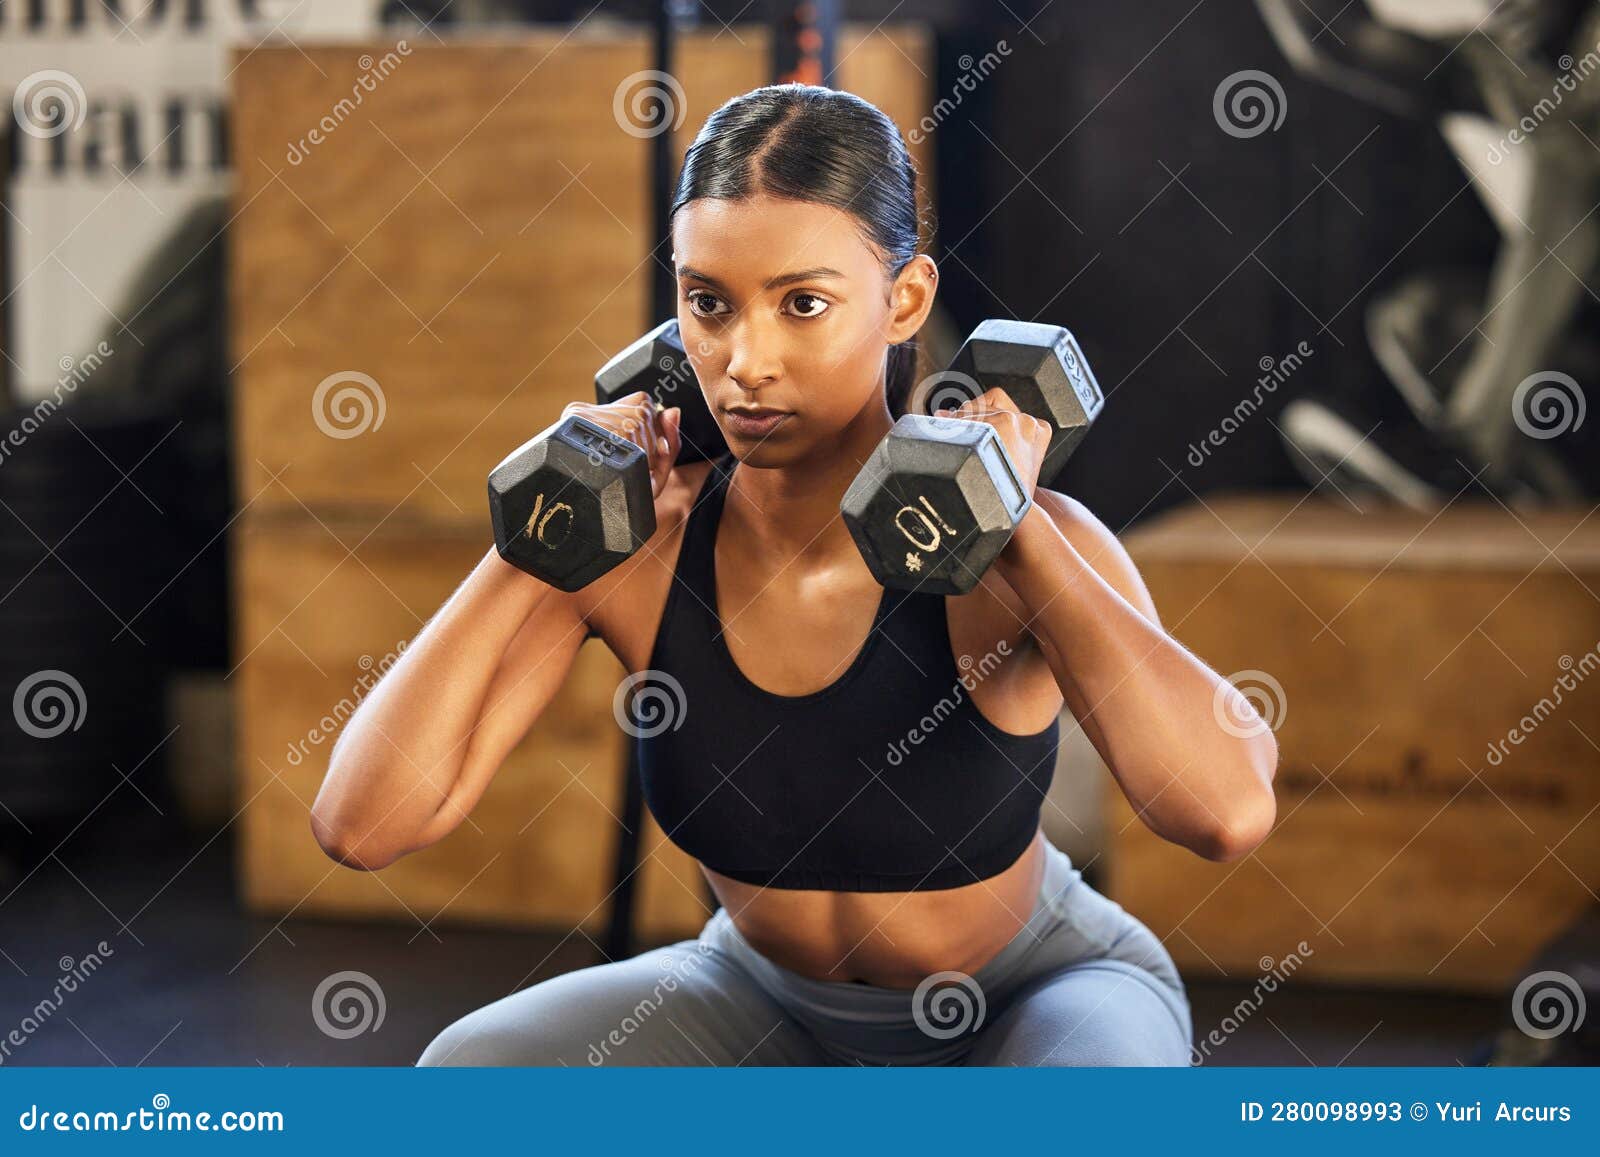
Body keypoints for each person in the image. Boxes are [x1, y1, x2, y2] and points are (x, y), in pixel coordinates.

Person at [310, 84, 1279, 1067]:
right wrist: (531, 541)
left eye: (802, 302)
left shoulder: (1027, 548)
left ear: (903, 300)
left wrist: (1015, 523)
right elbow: (364, 823)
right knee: (472, 1075)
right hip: (760, 998)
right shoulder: (634, 551)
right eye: (708, 303)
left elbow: (1224, 812)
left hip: (1033, 992)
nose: (745, 362)